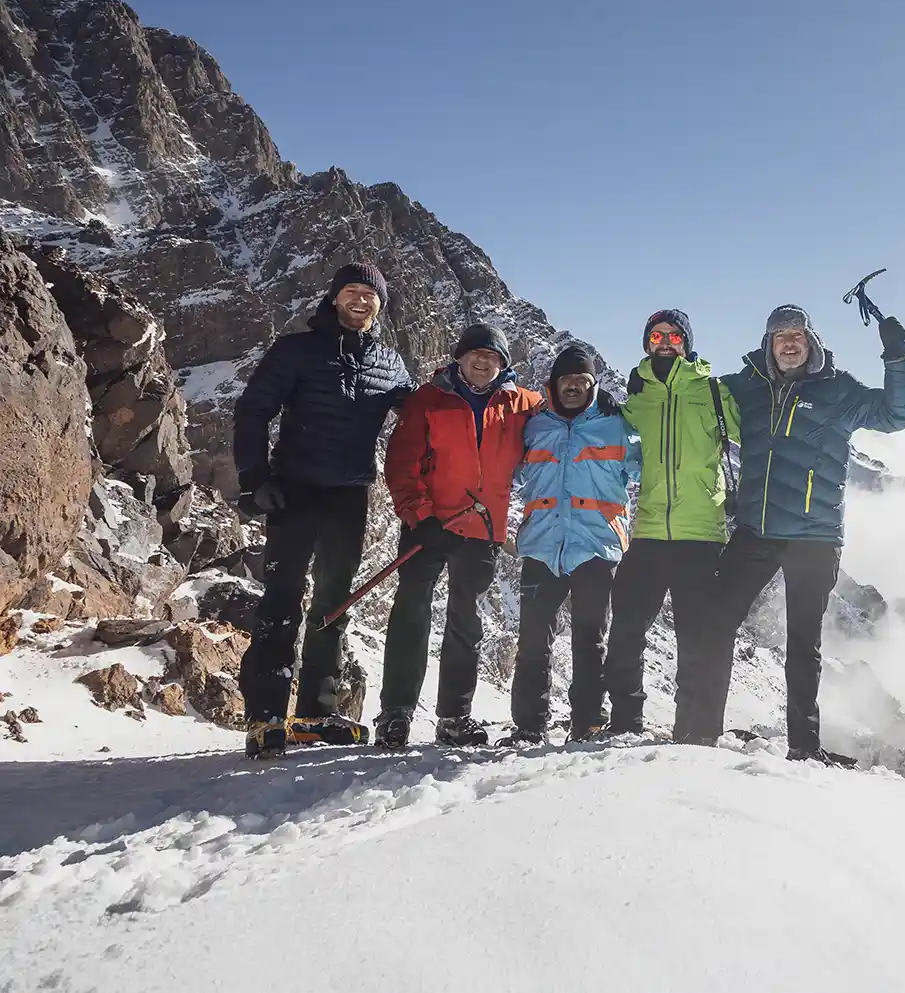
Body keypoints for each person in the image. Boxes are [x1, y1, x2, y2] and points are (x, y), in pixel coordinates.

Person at [704, 304, 905, 763]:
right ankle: (704, 731)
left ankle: (804, 747)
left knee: (803, 646)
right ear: (768, 344)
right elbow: (698, 394)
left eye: (796, 333)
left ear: (811, 339)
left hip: (814, 538)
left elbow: (898, 414)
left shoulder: (838, 391)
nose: (788, 342)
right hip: (755, 532)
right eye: (779, 334)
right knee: (716, 623)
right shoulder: (749, 385)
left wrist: (896, 357)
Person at [234, 262, 413, 758]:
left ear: (380, 304)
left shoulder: (391, 363)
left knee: (335, 602)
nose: (360, 301)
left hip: (348, 496)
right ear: (335, 298)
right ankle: (265, 716)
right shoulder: (296, 350)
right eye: (351, 292)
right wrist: (255, 480)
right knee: (282, 597)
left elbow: (421, 416)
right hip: (294, 489)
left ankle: (317, 710)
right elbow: (252, 411)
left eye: (369, 295)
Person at [377, 324, 543, 748]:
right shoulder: (430, 400)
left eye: (494, 356)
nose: (484, 361)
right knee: (412, 613)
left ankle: (454, 717)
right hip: (428, 526)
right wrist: (419, 516)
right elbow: (401, 461)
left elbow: (564, 411)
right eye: (476, 354)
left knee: (465, 622)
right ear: (460, 358)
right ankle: (396, 714)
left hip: (481, 530)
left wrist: (606, 404)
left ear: (504, 364)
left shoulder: (521, 404)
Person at [604, 310, 741, 741]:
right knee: (625, 628)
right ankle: (626, 723)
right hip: (648, 535)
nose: (665, 342)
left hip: (701, 536)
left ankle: (692, 733)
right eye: (657, 336)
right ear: (647, 343)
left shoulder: (714, 392)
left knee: (696, 640)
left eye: (674, 336)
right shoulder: (638, 397)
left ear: (687, 342)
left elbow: (761, 432)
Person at [501, 344, 640, 746]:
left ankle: (588, 723)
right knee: (531, 641)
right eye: (567, 380)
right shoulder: (534, 427)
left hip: (596, 548)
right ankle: (528, 725)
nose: (574, 387)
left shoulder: (617, 426)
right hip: (542, 546)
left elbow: (650, 469)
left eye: (583, 381)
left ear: (594, 385)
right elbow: (505, 469)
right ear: (554, 384)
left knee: (589, 639)